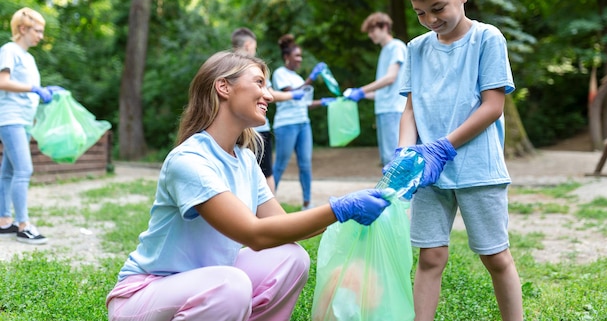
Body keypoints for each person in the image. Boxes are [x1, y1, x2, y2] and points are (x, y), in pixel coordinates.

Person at [106, 50, 392, 321]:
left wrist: (351, 209)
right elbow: (254, 234)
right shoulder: (190, 160)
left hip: (208, 283)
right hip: (145, 294)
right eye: (259, 83)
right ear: (223, 87)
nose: (268, 94)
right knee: (231, 285)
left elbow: (282, 226)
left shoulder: (244, 160)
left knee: (291, 258)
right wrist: (339, 208)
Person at [396, 0, 523, 320]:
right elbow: (411, 109)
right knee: (430, 256)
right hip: (429, 174)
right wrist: (406, 153)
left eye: (438, 8)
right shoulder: (415, 49)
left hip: (477, 168)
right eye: (420, 13)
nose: (430, 20)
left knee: (495, 256)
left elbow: (492, 106)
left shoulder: (488, 39)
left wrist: (442, 147)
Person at [0, 7, 64, 245]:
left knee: (8, 171)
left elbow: (26, 89)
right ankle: (23, 225)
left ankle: (4, 222)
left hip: (24, 120)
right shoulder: (10, 50)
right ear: (22, 29)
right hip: (10, 119)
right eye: (37, 30)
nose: (41, 36)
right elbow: (3, 81)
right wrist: (34, 89)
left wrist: (48, 92)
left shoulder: (29, 58)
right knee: (24, 170)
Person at [231, 27, 305, 193]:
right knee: (266, 174)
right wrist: (293, 95)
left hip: (235, 130)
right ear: (249, 45)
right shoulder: (253, 67)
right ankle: (268, 213)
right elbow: (270, 95)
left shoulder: (225, 67)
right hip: (258, 131)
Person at [271, 34, 327, 210]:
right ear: (287, 57)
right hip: (286, 125)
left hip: (304, 123)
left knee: (305, 164)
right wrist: (311, 78)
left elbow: (305, 103)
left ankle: (307, 204)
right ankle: (267, 203)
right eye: (297, 56)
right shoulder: (280, 73)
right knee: (280, 165)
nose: (300, 59)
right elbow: (290, 94)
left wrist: (324, 102)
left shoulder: (298, 78)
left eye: (301, 56)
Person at [343, 12, 407, 166]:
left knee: (395, 160)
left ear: (384, 27)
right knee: (386, 159)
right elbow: (384, 92)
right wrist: (360, 95)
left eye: (372, 31)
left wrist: (361, 90)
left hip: (394, 110)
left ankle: (396, 191)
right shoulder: (385, 50)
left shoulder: (396, 46)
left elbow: (390, 77)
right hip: (384, 110)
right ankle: (389, 191)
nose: (370, 35)